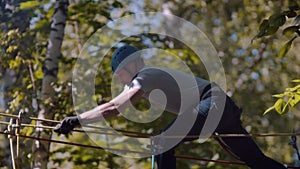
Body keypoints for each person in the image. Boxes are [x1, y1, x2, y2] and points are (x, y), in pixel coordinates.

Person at [54, 45, 286, 169]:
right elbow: (116, 104)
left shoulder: (144, 75)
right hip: (220, 110)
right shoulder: (144, 80)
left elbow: (114, 107)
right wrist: (79, 120)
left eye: (120, 73)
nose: (121, 79)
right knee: (256, 161)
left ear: (130, 65)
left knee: (162, 142)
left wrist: (77, 120)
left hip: (214, 103)